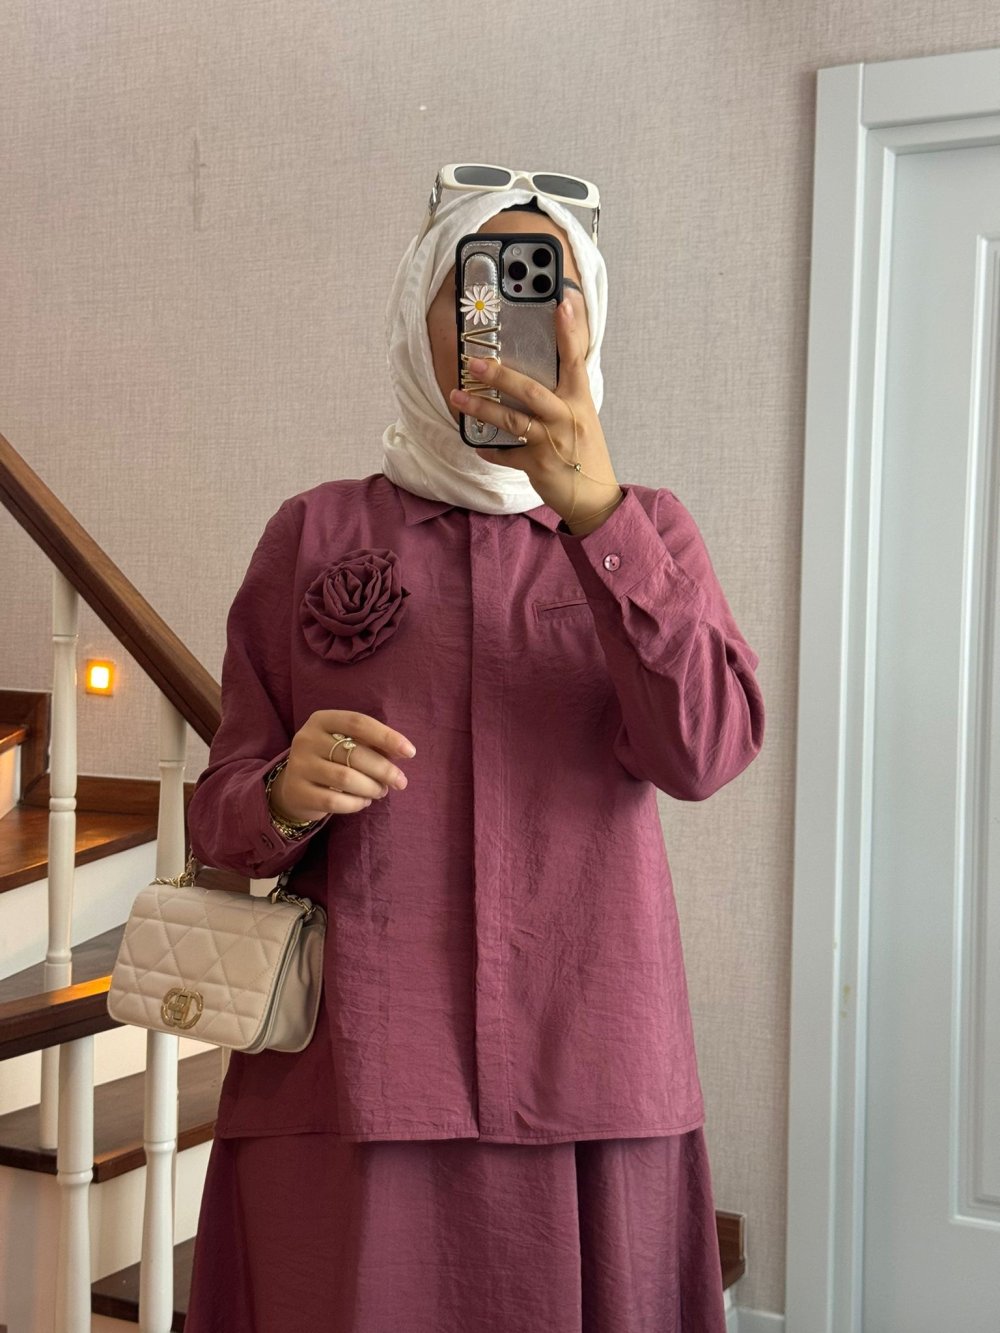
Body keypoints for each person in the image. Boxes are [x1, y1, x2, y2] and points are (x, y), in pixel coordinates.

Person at [182, 169, 765, 1333]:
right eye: (479, 287)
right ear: (421, 313)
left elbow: (704, 748)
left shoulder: (650, 527)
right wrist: (286, 792)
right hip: (357, 1075)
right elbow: (221, 815)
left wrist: (599, 519)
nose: (511, 318)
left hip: (589, 1062)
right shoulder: (315, 532)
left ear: (588, 323)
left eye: (546, 288)